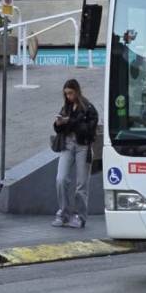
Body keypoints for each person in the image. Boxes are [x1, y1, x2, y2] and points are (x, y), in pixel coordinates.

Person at [52, 79, 99, 228]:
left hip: (83, 146)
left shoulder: (89, 108)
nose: (68, 97)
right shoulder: (66, 107)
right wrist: (58, 124)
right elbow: (59, 130)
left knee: (81, 184)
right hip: (67, 144)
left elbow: (89, 130)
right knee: (61, 179)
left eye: (70, 93)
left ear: (77, 91)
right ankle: (64, 213)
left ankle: (80, 216)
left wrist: (70, 122)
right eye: (66, 94)